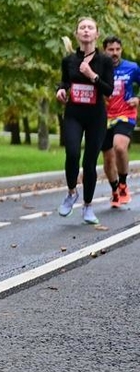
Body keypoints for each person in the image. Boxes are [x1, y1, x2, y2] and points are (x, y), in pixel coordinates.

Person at [55, 17, 114, 225]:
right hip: (74, 113)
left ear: (97, 34)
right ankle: (72, 193)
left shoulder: (104, 61)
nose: (86, 31)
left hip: (96, 116)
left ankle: (88, 206)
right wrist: (61, 90)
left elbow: (110, 90)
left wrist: (92, 76)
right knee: (72, 154)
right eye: (82, 28)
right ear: (77, 34)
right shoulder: (69, 60)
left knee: (89, 163)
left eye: (90, 28)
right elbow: (64, 81)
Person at [100, 36, 140, 208]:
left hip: (125, 114)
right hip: (103, 117)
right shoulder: (98, 68)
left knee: (120, 147)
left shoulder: (132, 67)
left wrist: (137, 98)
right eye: (111, 50)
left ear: (121, 50)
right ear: (105, 51)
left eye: (117, 49)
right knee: (108, 160)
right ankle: (114, 189)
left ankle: (123, 184)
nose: (115, 53)